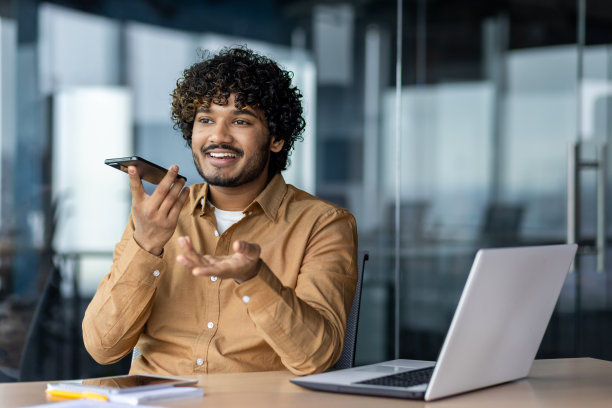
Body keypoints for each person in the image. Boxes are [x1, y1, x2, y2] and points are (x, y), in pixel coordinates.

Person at [82, 46, 358, 376]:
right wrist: (147, 245)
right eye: (206, 120)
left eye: (240, 120)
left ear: (277, 139)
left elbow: (316, 358)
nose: (218, 136)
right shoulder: (157, 216)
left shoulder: (323, 225)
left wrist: (253, 278)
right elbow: (103, 348)